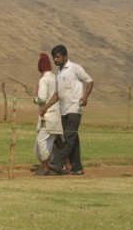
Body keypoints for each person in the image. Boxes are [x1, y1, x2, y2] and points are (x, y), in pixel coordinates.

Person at [39, 44, 94, 175]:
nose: (55, 60)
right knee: (72, 137)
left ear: (65, 56)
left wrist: (85, 97)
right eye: (54, 58)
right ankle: (77, 167)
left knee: (69, 136)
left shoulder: (75, 68)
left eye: (58, 57)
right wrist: (45, 107)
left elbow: (90, 81)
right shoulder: (58, 73)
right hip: (63, 110)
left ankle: (57, 162)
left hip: (75, 108)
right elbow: (57, 94)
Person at [33, 53, 61, 176]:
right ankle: (68, 165)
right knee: (58, 140)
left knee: (40, 142)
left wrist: (35, 98)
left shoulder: (44, 80)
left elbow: (42, 98)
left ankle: (45, 168)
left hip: (47, 116)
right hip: (57, 115)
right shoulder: (55, 78)